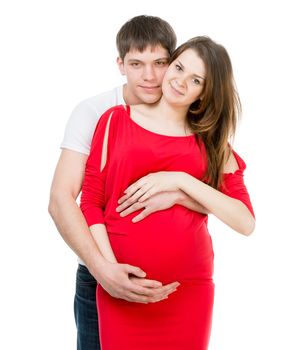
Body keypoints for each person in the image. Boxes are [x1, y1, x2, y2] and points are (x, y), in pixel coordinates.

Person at [80, 36, 255, 349]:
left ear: (204, 93)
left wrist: (180, 182)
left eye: (196, 79)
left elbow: (244, 222)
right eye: (179, 67)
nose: (181, 81)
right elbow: (91, 203)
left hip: (188, 291)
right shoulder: (114, 121)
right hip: (122, 289)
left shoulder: (213, 145)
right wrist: (112, 273)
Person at [48, 15, 209, 350]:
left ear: (174, 62)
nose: (149, 76)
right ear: (120, 64)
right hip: (100, 278)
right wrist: (103, 270)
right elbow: (62, 199)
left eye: (160, 63)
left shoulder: (194, 118)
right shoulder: (96, 112)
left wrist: (178, 191)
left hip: (179, 288)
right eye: (136, 63)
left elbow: (225, 200)